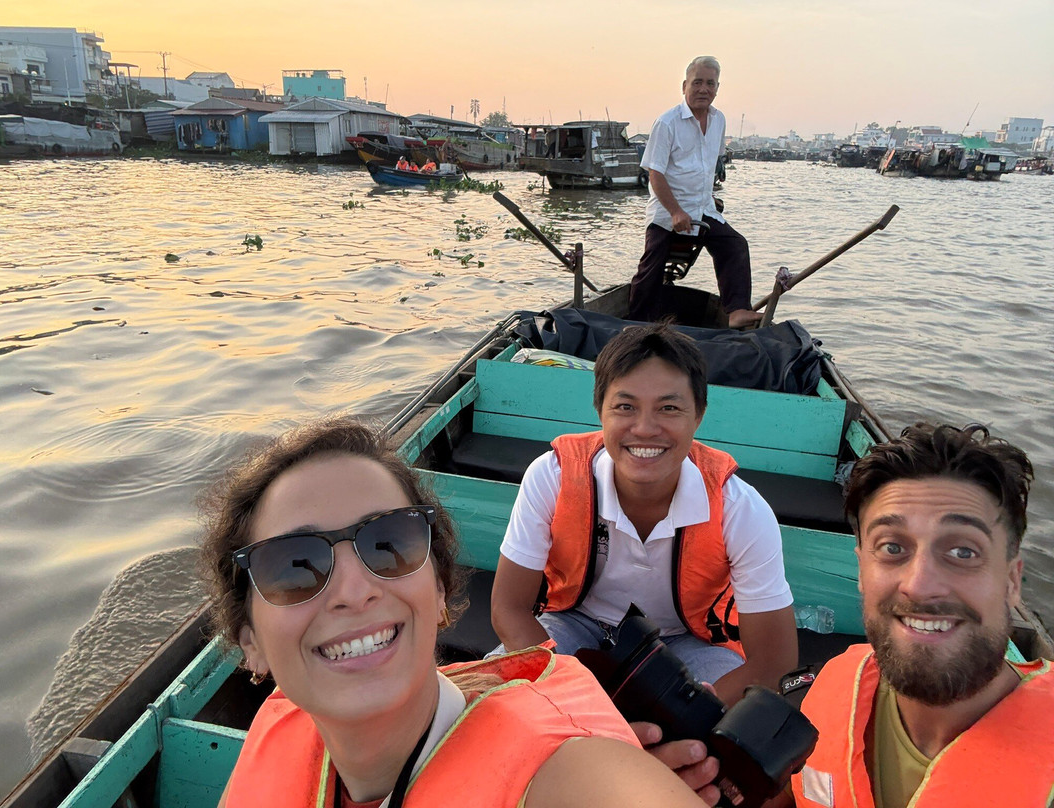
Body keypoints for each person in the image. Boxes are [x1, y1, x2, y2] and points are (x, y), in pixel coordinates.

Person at [199, 416, 714, 808]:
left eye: (389, 542)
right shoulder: (284, 729)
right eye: (294, 566)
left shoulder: (572, 779)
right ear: (251, 643)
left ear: (440, 593)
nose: (353, 591)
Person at [491, 324, 797, 706]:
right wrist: (576, 698)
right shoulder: (552, 476)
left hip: (690, 641)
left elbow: (774, 662)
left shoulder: (740, 509)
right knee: (502, 695)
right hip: (572, 623)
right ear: (599, 410)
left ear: (698, 416)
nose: (645, 429)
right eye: (625, 407)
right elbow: (510, 608)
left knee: (727, 735)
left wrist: (690, 712)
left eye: (669, 408)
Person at [792, 423, 1054, 808]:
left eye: (963, 552)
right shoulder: (831, 686)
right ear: (862, 570)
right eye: (893, 547)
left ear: (1012, 581)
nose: (919, 584)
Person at [630, 56, 761, 330]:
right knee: (651, 268)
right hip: (667, 214)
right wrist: (675, 211)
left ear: (717, 88)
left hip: (703, 209)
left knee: (734, 246)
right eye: (697, 82)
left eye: (710, 83)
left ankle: (737, 310)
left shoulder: (718, 120)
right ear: (684, 86)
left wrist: (709, 197)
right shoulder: (667, 123)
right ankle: (635, 325)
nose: (703, 89)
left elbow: (706, 166)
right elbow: (655, 173)